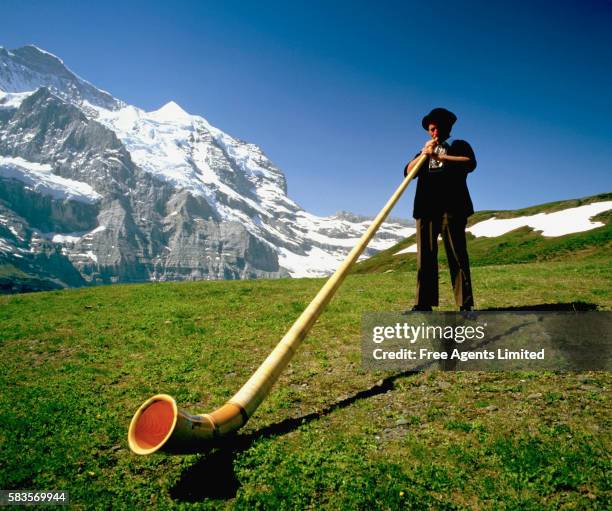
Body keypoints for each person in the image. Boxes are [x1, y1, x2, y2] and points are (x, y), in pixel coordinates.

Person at [403, 107, 476, 312]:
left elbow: (470, 163)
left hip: (452, 208)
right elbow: (408, 172)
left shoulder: (459, 145)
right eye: (431, 129)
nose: (434, 133)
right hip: (426, 208)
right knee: (425, 257)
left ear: (448, 127)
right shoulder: (423, 152)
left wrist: (442, 157)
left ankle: (465, 305)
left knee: (457, 255)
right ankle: (423, 303)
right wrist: (424, 155)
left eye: (438, 128)